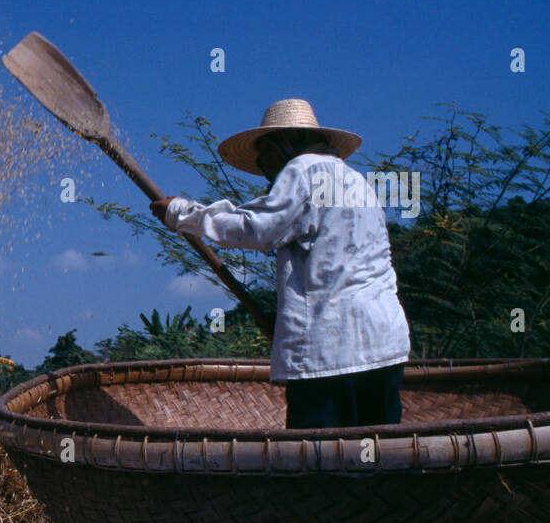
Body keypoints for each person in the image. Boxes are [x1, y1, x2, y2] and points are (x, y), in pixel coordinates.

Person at [149, 99, 411, 429]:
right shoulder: (357, 181)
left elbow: (256, 228)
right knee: (383, 458)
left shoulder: (305, 170)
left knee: (316, 464)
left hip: (329, 355)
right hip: (383, 345)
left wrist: (181, 213)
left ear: (289, 142)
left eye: (266, 152)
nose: (262, 164)